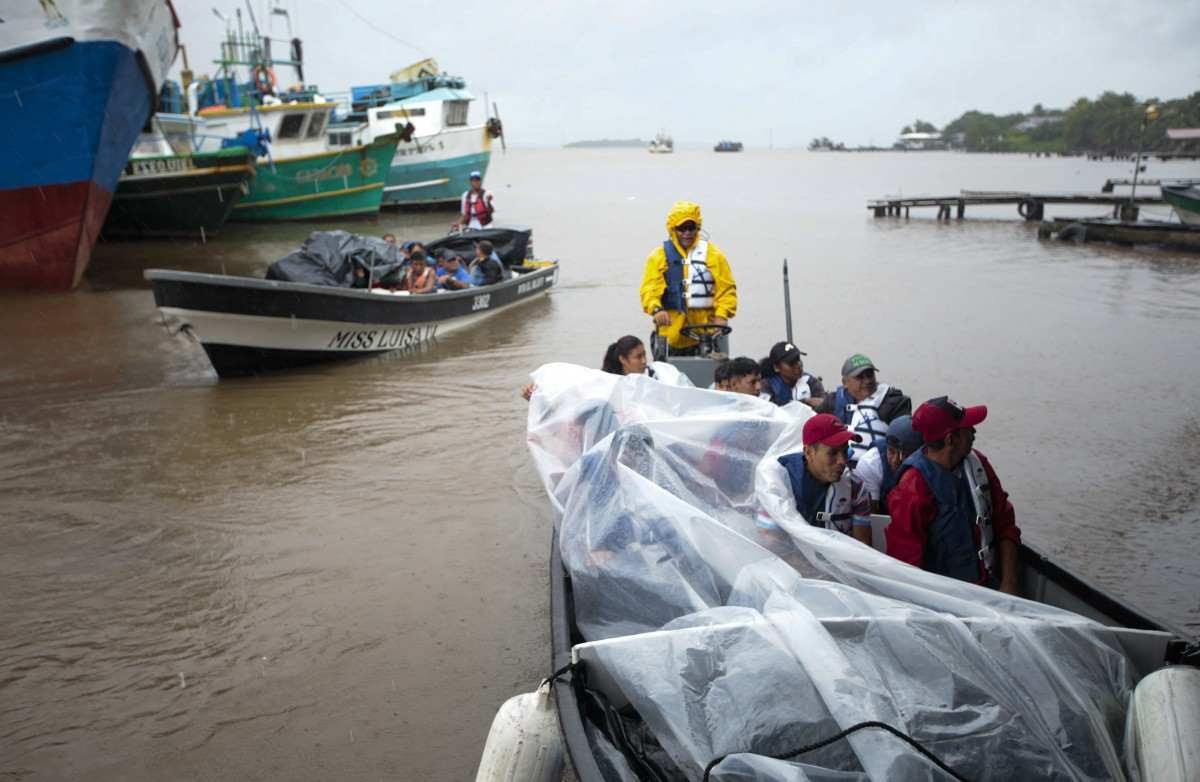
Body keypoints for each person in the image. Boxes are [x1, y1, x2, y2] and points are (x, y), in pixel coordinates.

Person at [884, 396, 1021, 594]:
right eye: (967, 428)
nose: (974, 432)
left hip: (991, 589)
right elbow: (906, 564)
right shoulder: (912, 487)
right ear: (951, 439)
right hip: (947, 599)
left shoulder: (979, 464)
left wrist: (1009, 583)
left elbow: (1005, 523)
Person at [639, 201, 737, 357]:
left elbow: (727, 289)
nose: (687, 233)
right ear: (673, 229)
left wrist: (722, 315)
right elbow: (649, 289)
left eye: (691, 228)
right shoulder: (658, 257)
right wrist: (656, 309)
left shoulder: (715, 255)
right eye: (682, 229)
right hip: (671, 335)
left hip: (708, 334)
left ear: (697, 228)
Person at [776, 414, 873, 545]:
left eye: (845, 451)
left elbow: (863, 546)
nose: (842, 461)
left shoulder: (856, 489)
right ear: (808, 452)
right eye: (832, 453)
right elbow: (769, 541)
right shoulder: (779, 483)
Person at [815, 353, 911, 462]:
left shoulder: (894, 402)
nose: (867, 380)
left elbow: (904, 441)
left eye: (870, 375)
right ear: (845, 382)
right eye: (860, 377)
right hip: (839, 468)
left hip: (877, 470)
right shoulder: (832, 401)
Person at [853, 415, 921, 512]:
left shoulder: (927, 462)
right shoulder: (870, 463)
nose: (896, 460)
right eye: (891, 451)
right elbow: (871, 517)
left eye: (905, 454)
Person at [759, 341, 825, 407]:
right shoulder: (767, 385)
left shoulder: (810, 381)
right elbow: (769, 410)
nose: (798, 364)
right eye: (791, 362)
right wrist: (806, 402)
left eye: (798, 359)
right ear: (776, 367)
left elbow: (823, 406)